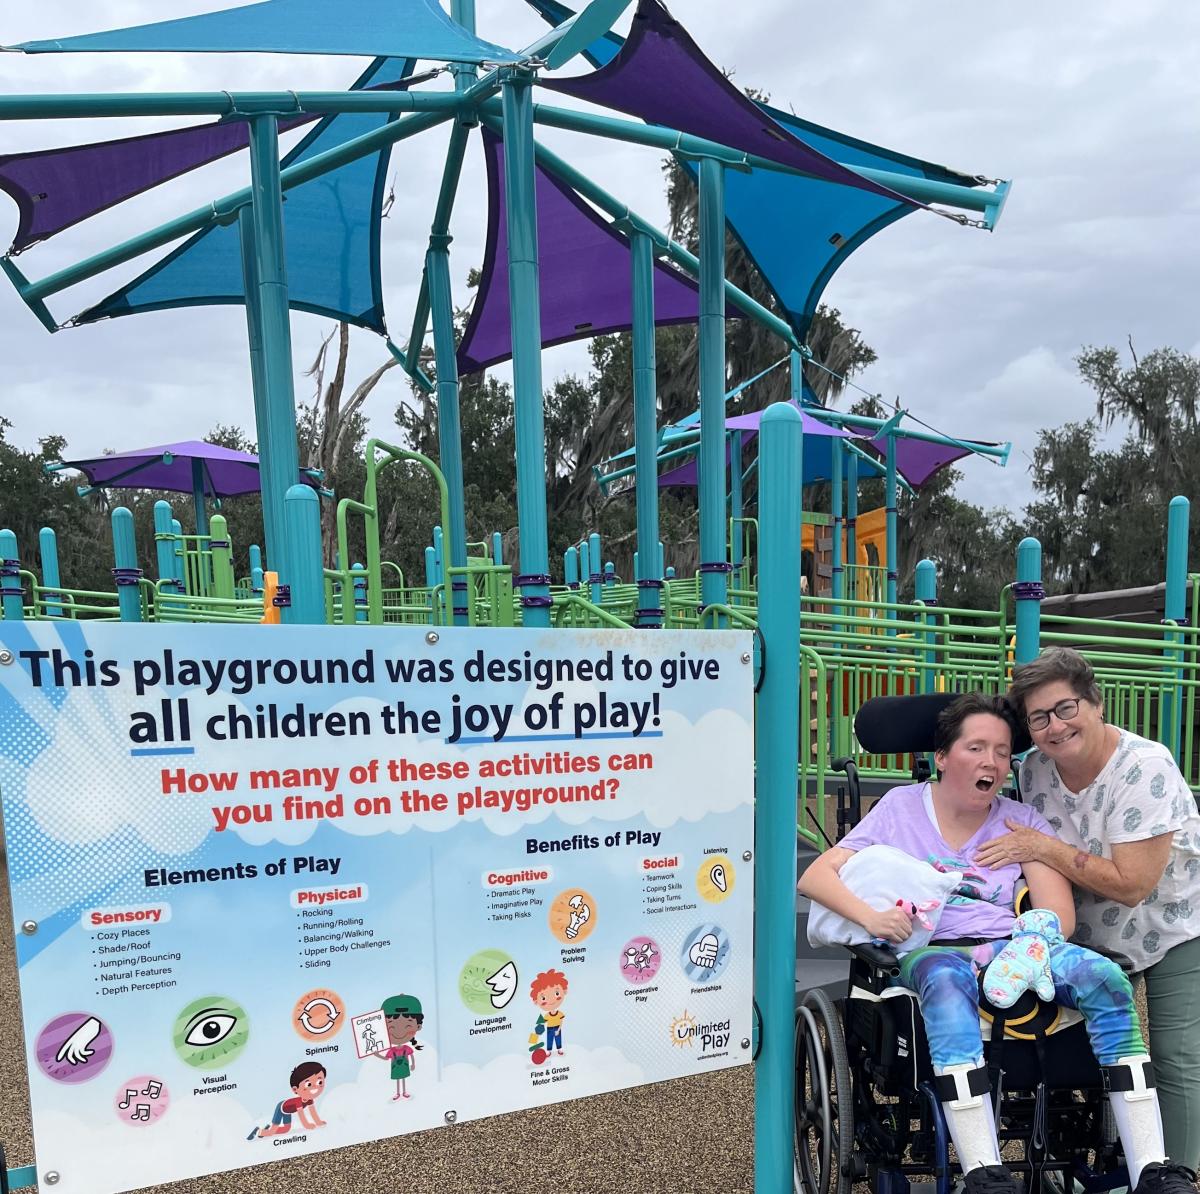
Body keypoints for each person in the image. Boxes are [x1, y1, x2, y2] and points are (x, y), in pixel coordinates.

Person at [798, 692, 1193, 1194]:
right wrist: (874, 917)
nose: (992, 762)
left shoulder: (1020, 821)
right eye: (976, 748)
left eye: (1003, 752)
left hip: (1018, 947)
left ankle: (1152, 1170)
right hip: (938, 947)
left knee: (1106, 978)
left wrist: (1030, 944)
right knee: (944, 981)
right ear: (942, 757)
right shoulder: (900, 809)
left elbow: (1057, 915)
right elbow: (816, 877)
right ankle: (984, 1170)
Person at [977, 646, 1200, 1175]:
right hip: (1079, 930)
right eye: (1039, 718)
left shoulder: (1146, 768)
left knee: (1176, 1061)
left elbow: (1131, 886)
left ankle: (1178, 1178)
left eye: (1065, 708)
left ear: (1095, 703)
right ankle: (1081, 1160)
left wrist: (1043, 848)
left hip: (1166, 923)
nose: (1054, 727)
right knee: (1072, 1053)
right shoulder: (1032, 773)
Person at [248, 1061, 327, 1139]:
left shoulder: (309, 1099)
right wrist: (307, 1125)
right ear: (295, 1089)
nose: (315, 1087)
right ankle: (258, 1131)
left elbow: (313, 1112)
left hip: (288, 1111)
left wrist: (318, 1122)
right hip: (281, 1108)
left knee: (286, 1129)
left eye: (320, 1082)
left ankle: (265, 1130)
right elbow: (301, 1115)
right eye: (309, 1084)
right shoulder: (298, 1102)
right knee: (272, 1132)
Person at [375, 994, 424, 1101]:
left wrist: (413, 1064)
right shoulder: (391, 1051)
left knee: (403, 1079)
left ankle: (404, 1092)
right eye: (391, 1026)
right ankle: (398, 1093)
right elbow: (386, 1058)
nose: (399, 1032)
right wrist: (376, 1054)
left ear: (418, 1026)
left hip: (404, 1068)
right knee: (398, 1080)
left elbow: (411, 1056)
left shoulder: (407, 1049)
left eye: (408, 1026)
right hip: (396, 1069)